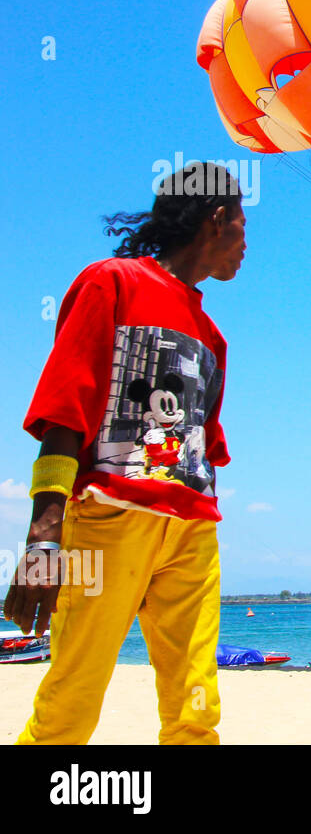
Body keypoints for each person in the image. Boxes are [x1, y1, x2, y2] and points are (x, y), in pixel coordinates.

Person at [4, 162, 246, 744]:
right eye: (241, 228)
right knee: (75, 691)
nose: (244, 246)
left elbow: (200, 451)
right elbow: (65, 410)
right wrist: (43, 538)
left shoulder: (212, 337)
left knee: (196, 704)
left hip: (192, 532)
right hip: (108, 521)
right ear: (215, 221)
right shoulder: (111, 283)